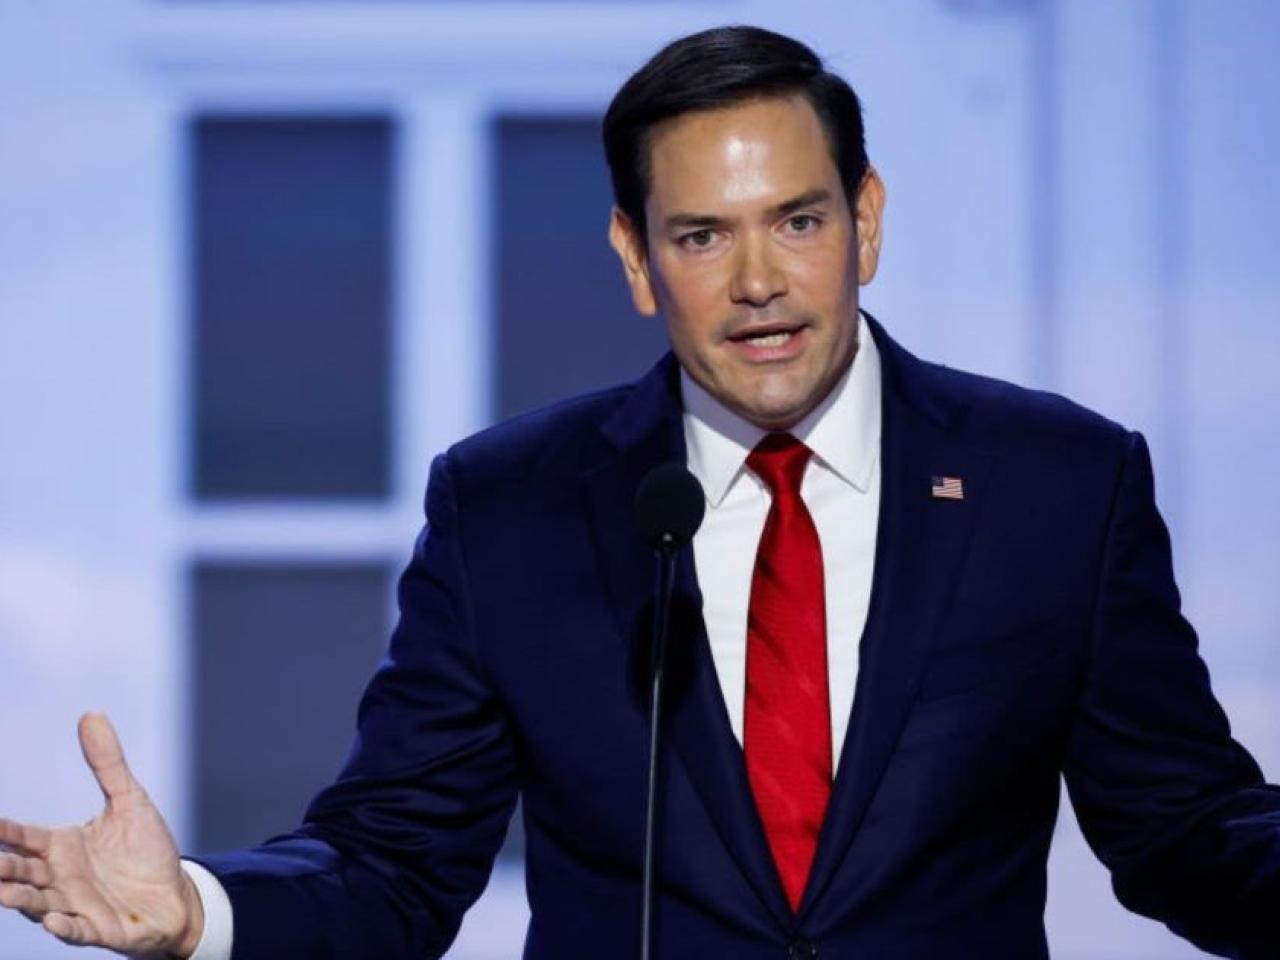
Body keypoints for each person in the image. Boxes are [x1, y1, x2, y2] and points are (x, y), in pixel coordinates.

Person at [2, 24, 1279, 960]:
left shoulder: (1052, 483)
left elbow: (1183, 830)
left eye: (797, 220)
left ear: (867, 220)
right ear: (633, 257)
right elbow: (395, 862)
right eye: (701, 236)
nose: (759, 282)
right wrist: (198, 911)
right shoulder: (511, 508)